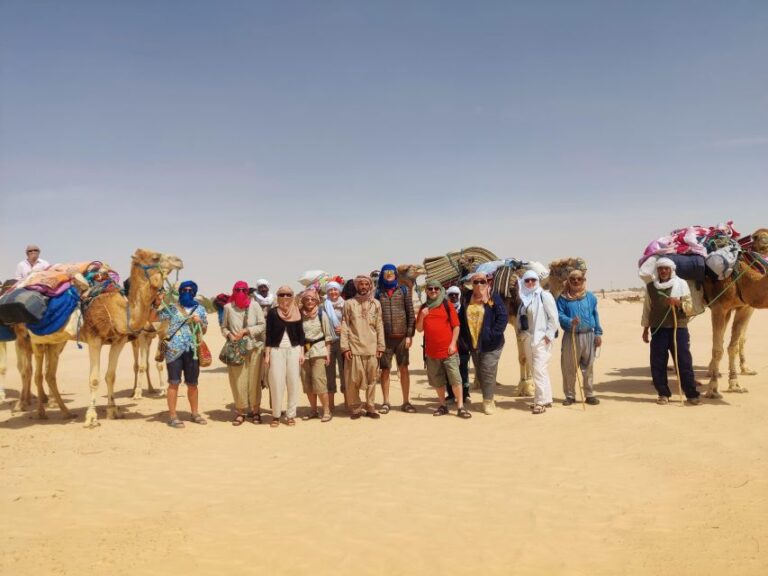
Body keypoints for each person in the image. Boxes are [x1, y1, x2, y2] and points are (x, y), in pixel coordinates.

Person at [641, 257, 701, 405]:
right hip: (658, 329)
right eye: (660, 268)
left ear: (671, 270)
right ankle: (663, 393)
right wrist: (645, 329)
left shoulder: (681, 284)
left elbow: (690, 308)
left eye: (666, 268)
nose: (663, 271)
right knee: (658, 362)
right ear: (657, 270)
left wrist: (678, 303)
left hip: (678, 328)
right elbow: (647, 309)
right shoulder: (651, 287)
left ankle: (691, 394)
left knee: (684, 362)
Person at [152, 280, 208, 428]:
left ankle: (195, 413)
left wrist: (199, 322)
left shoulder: (200, 309)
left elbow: (205, 330)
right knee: (173, 383)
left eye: (190, 290)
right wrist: (157, 303)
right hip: (173, 351)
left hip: (192, 351)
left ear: (194, 292)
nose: (186, 292)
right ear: (180, 292)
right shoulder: (171, 308)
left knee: (193, 384)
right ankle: (172, 416)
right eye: (184, 290)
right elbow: (153, 318)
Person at [416, 280, 472, 418]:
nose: (433, 291)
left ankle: (460, 407)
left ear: (440, 290)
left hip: (449, 351)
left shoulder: (447, 305)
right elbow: (419, 329)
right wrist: (422, 316)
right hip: (432, 352)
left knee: (455, 379)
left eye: (436, 288)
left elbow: (456, 326)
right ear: (426, 291)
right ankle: (443, 405)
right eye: (430, 289)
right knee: (438, 381)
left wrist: (453, 344)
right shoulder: (424, 308)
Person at [458, 272, 508, 415]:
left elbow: (502, 318)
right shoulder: (467, 298)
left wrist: (492, 334)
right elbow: (461, 318)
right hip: (474, 343)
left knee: (487, 370)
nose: (479, 285)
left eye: (482, 282)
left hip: (492, 343)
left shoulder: (493, 298)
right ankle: (489, 397)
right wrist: (463, 339)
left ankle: (488, 401)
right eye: (476, 282)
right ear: (472, 284)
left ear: (487, 283)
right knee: (480, 371)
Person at [221, 281, 266, 425]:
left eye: (243, 290)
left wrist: (247, 331)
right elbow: (224, 327)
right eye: (237, 289)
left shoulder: (255, 305)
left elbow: (262, 325)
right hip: (236, 350)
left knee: (254, 381)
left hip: (254, 348)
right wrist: (230, 335)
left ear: (247, 291)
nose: (240, 292)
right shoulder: (228, 307)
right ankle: (240, 412)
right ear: (233, 291)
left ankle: (256, 411)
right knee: (238, 381)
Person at [340, 275, 385, 419]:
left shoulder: (376, 304)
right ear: (357, 286)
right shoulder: (349, 304)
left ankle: (371, 407)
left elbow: (379, 325)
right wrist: (345, 347)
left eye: (366, 284)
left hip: (372, 348)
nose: (364, 286)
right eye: (361, 284)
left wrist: (381, 346)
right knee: (353, 381)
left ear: (370, 286)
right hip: (354, 347)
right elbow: (345, 325)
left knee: (372, 379)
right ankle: (356, 409)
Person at [557, 270, 603, 406]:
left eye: (579, 279)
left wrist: (598, 333)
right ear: (568, 281)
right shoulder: (562, 298)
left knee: (588, 367)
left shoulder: (590, 297)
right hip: (571, 337)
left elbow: (595, 315)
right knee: (569, 368)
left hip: (589, 335)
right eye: (573, 279)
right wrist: (570, 321)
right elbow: (559, 315)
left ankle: (589, 395)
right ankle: (570, 396)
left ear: (584, 280)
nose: (576, 281)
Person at [375, 263, 415, 414]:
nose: (389, 274)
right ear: (383, 275)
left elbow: (410, 314)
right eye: (386, 272)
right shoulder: (379, 293)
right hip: (385, 339)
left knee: (403, 368)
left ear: (395, 275)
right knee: (385, 370)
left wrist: (409, 335)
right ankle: (386, 402)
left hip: (402, 338)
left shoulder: (403, 290)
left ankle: (406, 401)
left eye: (392, 272)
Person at [517, 270, 558, 414]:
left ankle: (539, 402)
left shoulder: (544, 295)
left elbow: (553, 317)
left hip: (542, 339)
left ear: (537, 281)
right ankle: (546, 399)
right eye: (527, 280)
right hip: (528, 339)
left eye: (533, 280)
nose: (530, 283)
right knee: (538, 370)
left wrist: (548, 335)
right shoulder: (525, 298)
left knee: (539, 370)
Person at [265, 285, 305, 427]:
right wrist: (267, 354)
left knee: (293, 382)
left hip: (294, 350)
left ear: (292, 296)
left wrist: (302, 352)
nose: (285, 297)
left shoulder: (297, 312)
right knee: (276, 383)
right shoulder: (272, 313)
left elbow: (301, 334)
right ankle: (276, 415)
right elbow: (268, 334)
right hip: (276, 350)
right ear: (278, 296)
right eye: (282, 295)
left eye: (288, 294)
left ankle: (290, 415)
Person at [298, 289, 333, 422]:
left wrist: (327, 353)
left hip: (319, 351)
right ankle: (313, 410)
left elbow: (328, 336)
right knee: (307, 383)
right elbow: (298, 336)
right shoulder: (300, 315)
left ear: (317, 300)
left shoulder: (321, 314)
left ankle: (326, 411)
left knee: (319, 382)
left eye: (312, 299)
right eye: (307, 299)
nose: (310, 301)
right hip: (304, 353)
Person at [445, 285, 471, 404]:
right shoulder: (445, 309)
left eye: (456, 294)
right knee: (449, 371)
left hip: (463, 346)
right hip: (448, 345)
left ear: (459, 295)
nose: (454, 297)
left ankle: (465, 395)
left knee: (463, 371)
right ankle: (451, 395)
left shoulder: (465, 309)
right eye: (451, 295)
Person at [323, 280, 345, 410]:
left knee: (345, 373)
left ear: (339, 290)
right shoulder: (323, 306)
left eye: (335, 289)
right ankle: (330, 405)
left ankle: (348, 403)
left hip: (343, 343)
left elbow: (352, 322)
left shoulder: (346, 305)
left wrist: (344, 328)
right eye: (330, 290)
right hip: (329, 343)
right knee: (329, 374)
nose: (333, 292)